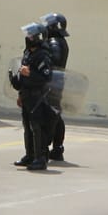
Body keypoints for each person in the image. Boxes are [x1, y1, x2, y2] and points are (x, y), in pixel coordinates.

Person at [9, 21, 57, 172]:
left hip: (38, 97)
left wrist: (30, 73)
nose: (28, 38)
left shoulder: (43, 55)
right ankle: (29, 155)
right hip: (27, 96)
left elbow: (46, 77)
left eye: (31, 35)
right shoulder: (28, 52)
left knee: (37, 127)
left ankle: (40, 158)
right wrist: (19, 90)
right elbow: (22, 75)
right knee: (27, 127)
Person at [43, 13, 70, 162]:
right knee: (56, 116)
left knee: (50, 116)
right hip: (55, 83)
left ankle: (46, 147)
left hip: (51, 84)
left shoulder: (55, 42)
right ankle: (57, 148)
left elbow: (53, 62)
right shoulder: (58, 41)